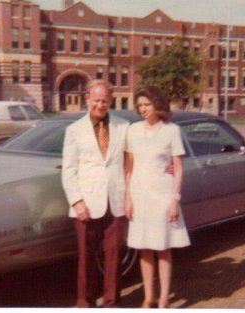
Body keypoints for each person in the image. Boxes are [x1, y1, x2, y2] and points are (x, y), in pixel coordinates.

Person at [61, 80, 129, 308]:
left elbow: (134, 160)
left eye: (105, 101)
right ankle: (85, 303)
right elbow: (69, 170)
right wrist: (77, 202)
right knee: (86, 258)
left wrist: (167, 165)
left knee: (114, 256)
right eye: (97, 100)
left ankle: (112, 303)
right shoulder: (74, 130)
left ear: (111, 101)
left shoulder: (123, 126)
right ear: (87, 99)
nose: (101, 105)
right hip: (86, 203)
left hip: (116, 202)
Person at [124, 85, 190, 308]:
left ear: (157, 104)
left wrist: (175, 200)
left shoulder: (171, 130)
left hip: (163, 195)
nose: (143, 109)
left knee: (162, 248)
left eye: (147, 104)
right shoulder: (133, 130)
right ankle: (148, 296)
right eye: (140, 105)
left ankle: (163, 299)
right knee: (144, 248)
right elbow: (129, 168)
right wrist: (127, 198)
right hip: (139, 194)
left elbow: (178, 168)